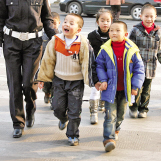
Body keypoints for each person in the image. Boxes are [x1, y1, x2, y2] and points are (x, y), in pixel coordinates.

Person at [0, 0, 56, 138]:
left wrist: (56, 38)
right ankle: (18, 122)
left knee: (28, 83)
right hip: (11, 43)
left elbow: (47, 19)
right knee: (14, 84)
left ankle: (31, 107)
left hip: (33, 44)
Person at [37, 13, 94, 146]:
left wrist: (93, 81)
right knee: (57, 107)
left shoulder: (83, 43)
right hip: (59, 80)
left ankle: (73, 135)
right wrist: (42, 78)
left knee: (75, 111)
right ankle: (63, 118)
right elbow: (47, 61)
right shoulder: (55, 40)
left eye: (71, 23)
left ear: (78, 30)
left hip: (76, 82)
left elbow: (89, 63)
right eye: (65, 22)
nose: (66, 24)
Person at [95, 21, 145, 152]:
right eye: (111, 30)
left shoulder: (132, 50)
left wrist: (135, 86)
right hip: (109, 89)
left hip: (125, 89)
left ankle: (116, 128)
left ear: (126, 34)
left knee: (121, 114)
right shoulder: (105, 49)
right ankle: (108, 139)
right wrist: (103, 80)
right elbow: (99, 65)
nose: (114, 33)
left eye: (118, 30)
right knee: (109, 115)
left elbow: (139, 69)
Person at [128, 4, 161, 118]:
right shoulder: (135, 30)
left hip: (151, 66)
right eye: (146, 16)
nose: (149, 19)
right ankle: (133, 107)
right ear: (141, 16)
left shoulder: (158, 32)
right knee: (136, 89)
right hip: (137, 66)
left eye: (151, 16)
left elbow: (159, 49)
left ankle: (143, 109)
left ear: (155, 17)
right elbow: (130, 48)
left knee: (146, 90)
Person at [87, 8, 113, 124]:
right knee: (95, 90)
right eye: (102, 20)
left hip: (110, 69)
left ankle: (102, 104)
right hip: (96, 68)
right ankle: (93, 112)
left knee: (106, 89)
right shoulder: (91, 36)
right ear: (97, 22)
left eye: (108, 20)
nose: (105, 23)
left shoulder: (114, 35)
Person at [42, 12, 61, 105]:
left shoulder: (61, 35)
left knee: (56, 82)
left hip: (57, 63)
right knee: (47, 81)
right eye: (50, 23)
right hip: (46, 63)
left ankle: (54, 99)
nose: (52, 25)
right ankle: (47, 94)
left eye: (54, 23)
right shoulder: (43, 35)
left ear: (59, 23)